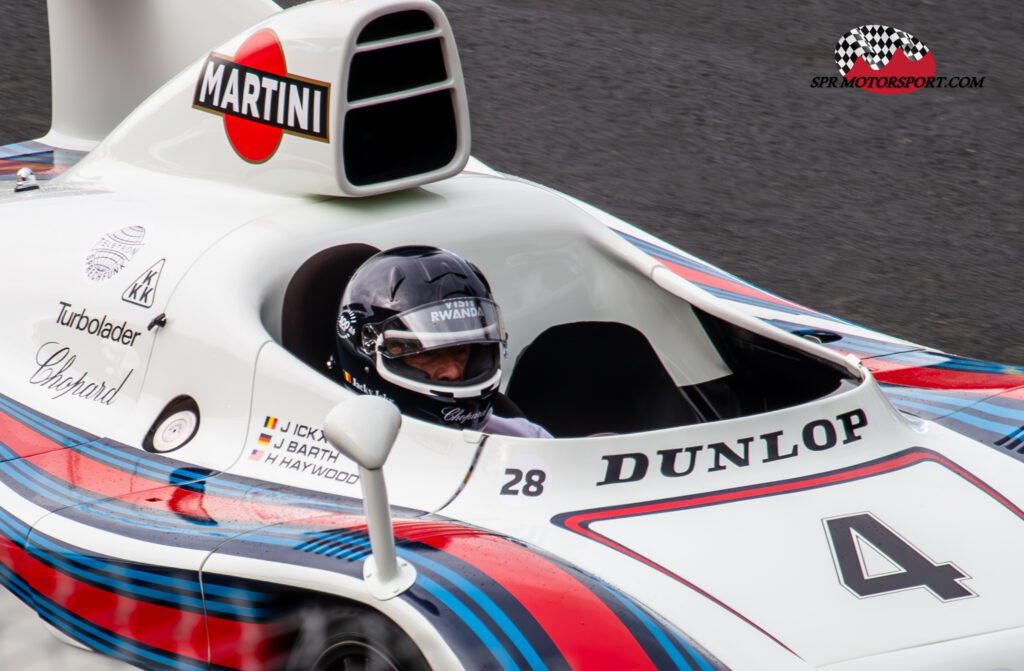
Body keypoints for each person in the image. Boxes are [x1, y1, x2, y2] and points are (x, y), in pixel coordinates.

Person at [333, 245, 551, 439]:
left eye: (460, 350)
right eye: (427, 354)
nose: (453, 372)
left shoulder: (527, 441)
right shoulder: (331, 457)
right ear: (370, 349)